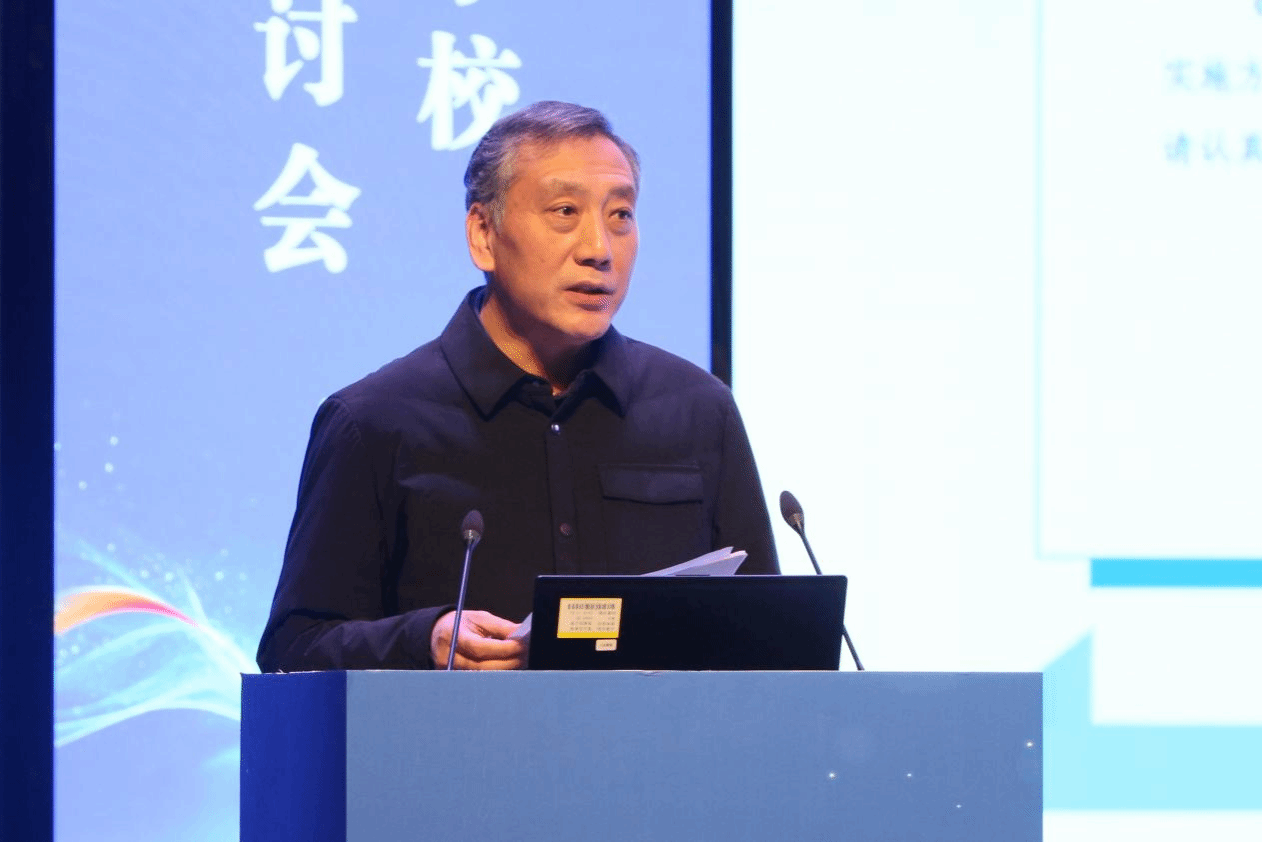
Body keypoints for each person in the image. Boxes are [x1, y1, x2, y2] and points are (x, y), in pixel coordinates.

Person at [256, 101, 778, 672]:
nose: (599, 249)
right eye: (564, 212)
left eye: (621, 215)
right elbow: (293, 648)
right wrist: (423, 639)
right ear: (483, 234)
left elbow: (771, 639)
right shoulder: (374, 422)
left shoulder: (698, 410)